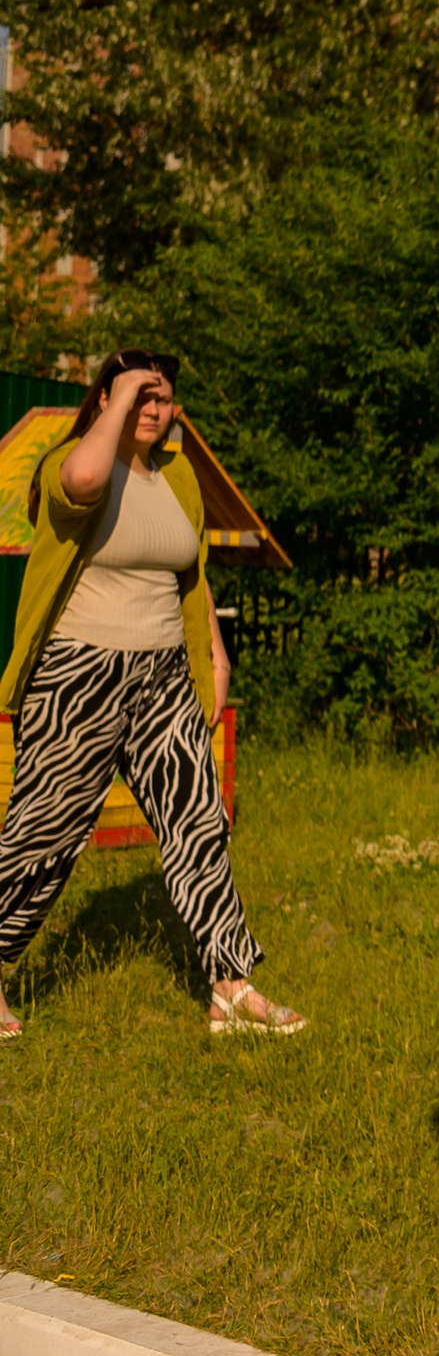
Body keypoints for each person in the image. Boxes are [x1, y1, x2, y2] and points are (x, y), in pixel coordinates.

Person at [0, 348, 298, 1039]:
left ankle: (230, 986)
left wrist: (215, 656)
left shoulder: (181, 476)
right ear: (105, 398)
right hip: (79, 675)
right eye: (138, 395)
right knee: (46, 833)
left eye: (162, 399)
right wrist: (125, 386)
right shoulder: (71, 461)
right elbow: (79, 480)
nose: (152, 410)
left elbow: (190, 571)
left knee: (199, 822)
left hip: (163, 674)